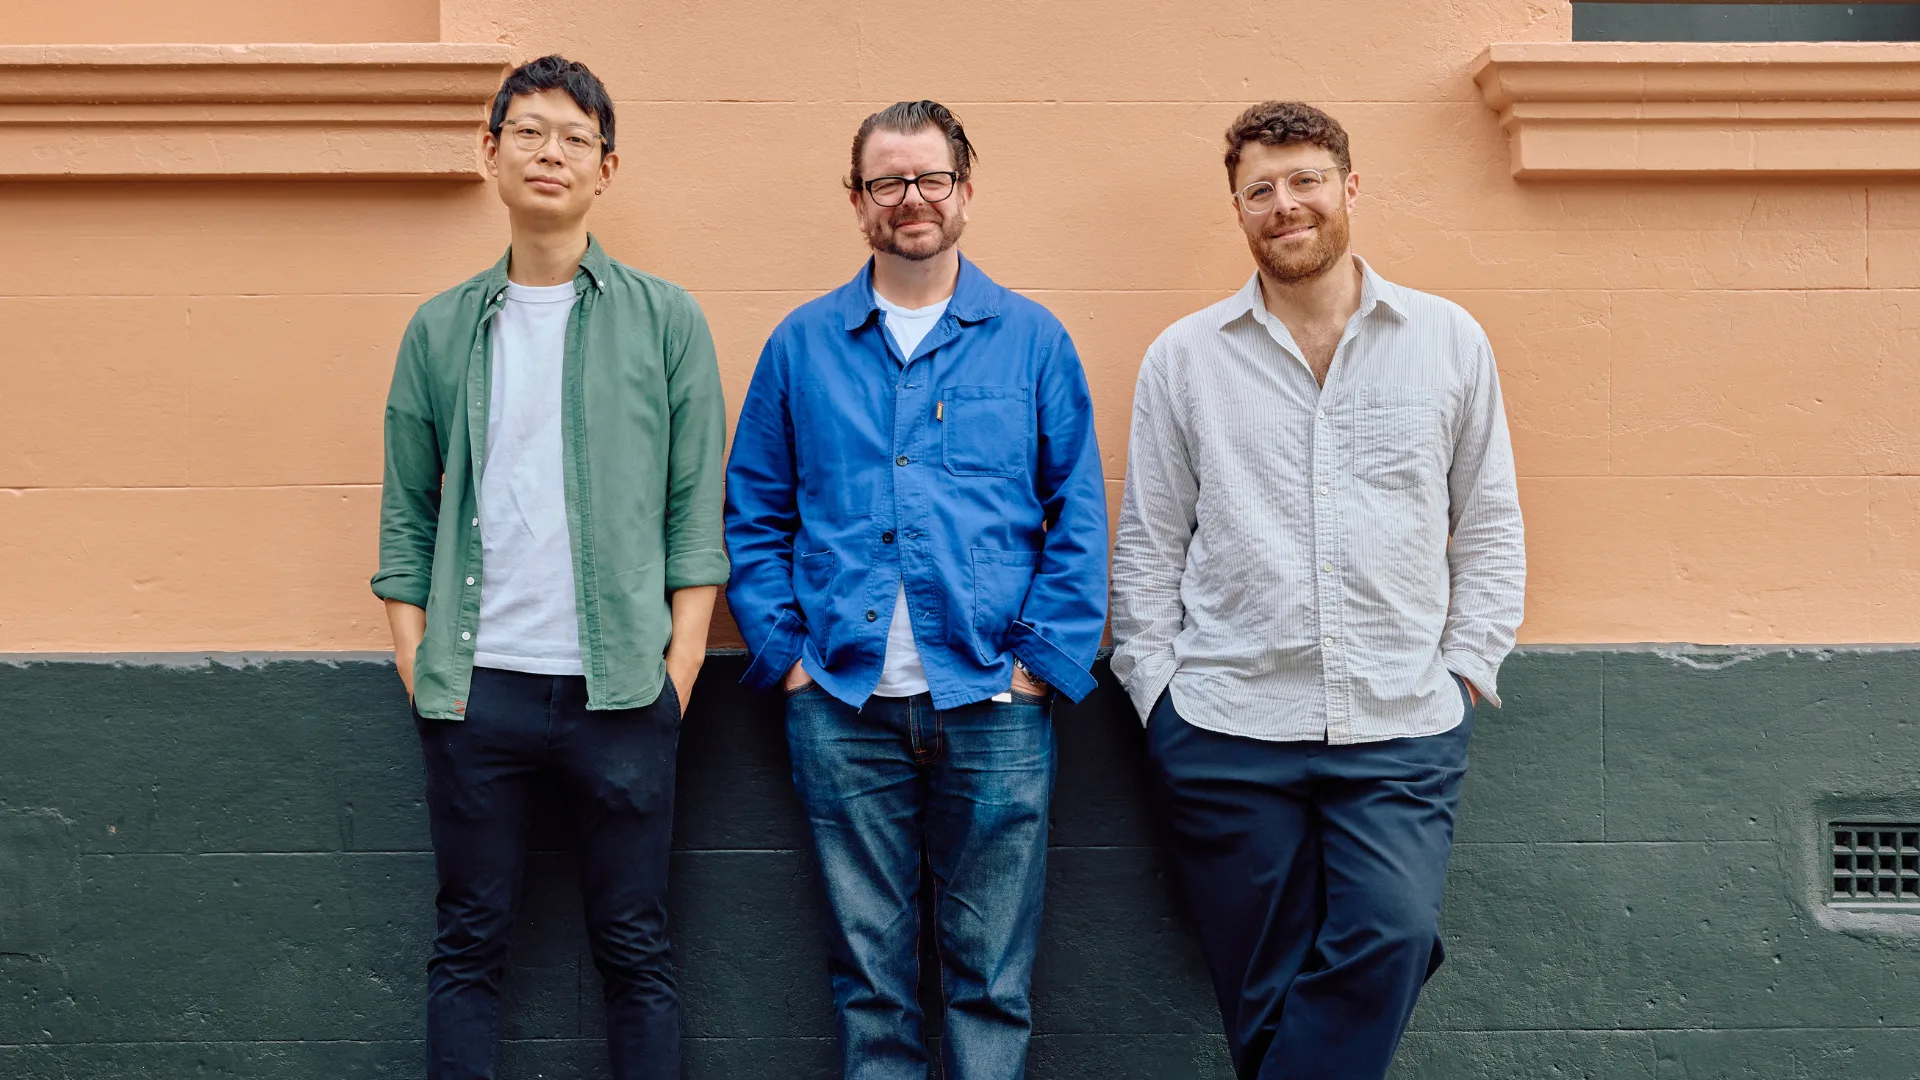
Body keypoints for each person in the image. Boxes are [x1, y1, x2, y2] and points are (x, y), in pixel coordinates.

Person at [1109, 100, 1526, 1080]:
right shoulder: (1186, 360)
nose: (1284, 204)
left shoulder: (1447, 340)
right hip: (1224, 723)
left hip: (1400, 723)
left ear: (1348, 188)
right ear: (1238, 210)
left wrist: (1465, 669)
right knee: (1262, 993)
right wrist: (1158, 695)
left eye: (1303, 181)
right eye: (1260, 190)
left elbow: (1493, 521)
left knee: (1391, 935)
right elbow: (1150, 544)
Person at [722, 100, 1108, 1080]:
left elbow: (1081, 514)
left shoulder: (1031, 341)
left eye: (931, 178)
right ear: (857, 203)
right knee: (869, 982)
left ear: (966, 191)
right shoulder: (801, 348)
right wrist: (790, 662)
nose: (912, 200)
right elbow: (754, 515)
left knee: (990, 982)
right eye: (887, 183)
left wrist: (1037, 670)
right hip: (844, 707)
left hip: (994, 705)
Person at [370, 55, 728, 1080]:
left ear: (606, 167)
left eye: (574, 137)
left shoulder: (667, 320)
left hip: (623, 693)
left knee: (636, 950)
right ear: (490, 153)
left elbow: (692, 514)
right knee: (469, 947)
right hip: (477, 689)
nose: (550, 153)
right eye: (528, 132)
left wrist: (680, 673)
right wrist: (418, 661)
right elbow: (406, 515)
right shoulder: (441, 329)